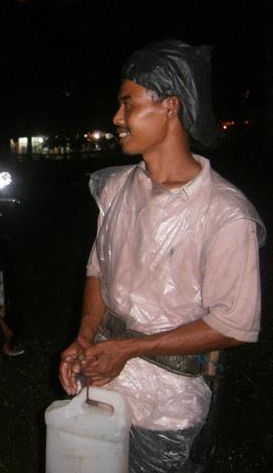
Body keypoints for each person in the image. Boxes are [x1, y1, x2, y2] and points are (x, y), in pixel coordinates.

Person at [58, 39, 266, 472]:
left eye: (128, 104)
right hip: (104, 389)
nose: (117, 118)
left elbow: (235, 323)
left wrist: (133, 347)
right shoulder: (116, 190)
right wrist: (86, 334)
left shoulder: (224, 213)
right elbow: (99, 268)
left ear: (170, 107)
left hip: (168, 407)